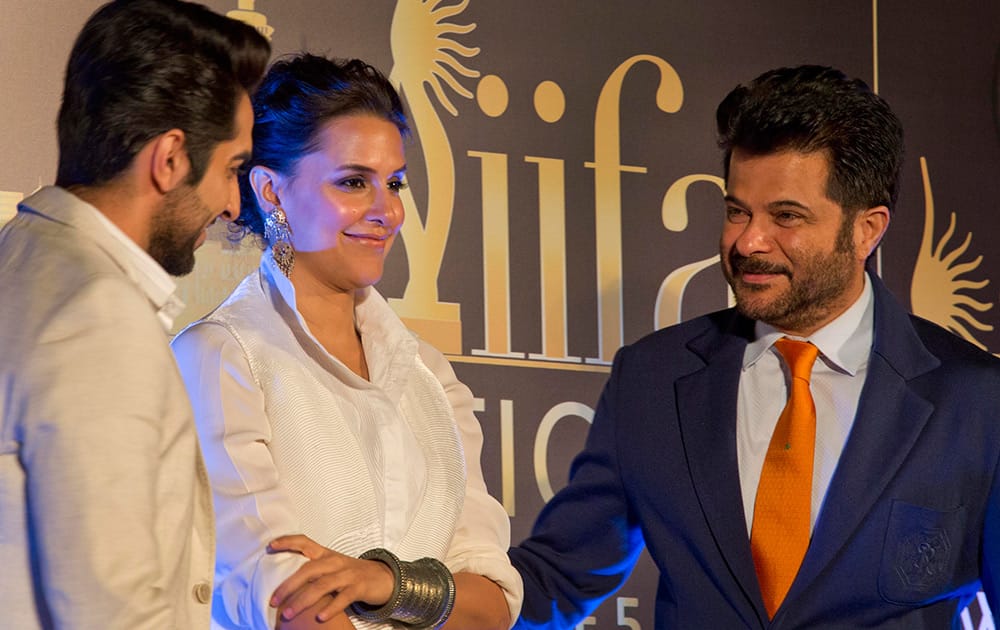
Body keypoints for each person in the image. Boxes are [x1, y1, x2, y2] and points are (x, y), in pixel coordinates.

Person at [509, 65, 1000, 628]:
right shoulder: (651, 379)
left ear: (867, 229)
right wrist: (410, 594)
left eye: (785, 216)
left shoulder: (977, 402)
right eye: (736, 211)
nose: (748, 241)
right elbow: (554, 580)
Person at [171, 53, 522, 630]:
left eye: (395, 183)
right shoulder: (220, 356)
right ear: (271, 191)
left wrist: (386, 583)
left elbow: (493, 603)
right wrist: (431, 597)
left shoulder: (431, 377)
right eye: (354, 182)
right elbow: (280, 597)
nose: (386, 211)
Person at [0, 1, 270, 628]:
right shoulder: (99, 316)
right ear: (171, 158)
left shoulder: (21, 258)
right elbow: (111, 611)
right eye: (232, 170)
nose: (233, 204)